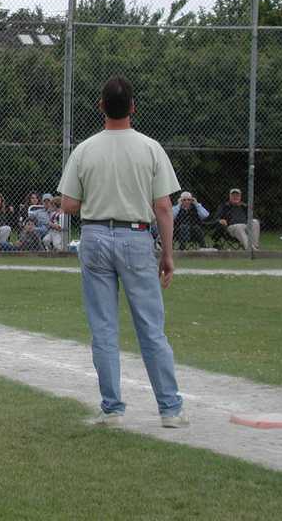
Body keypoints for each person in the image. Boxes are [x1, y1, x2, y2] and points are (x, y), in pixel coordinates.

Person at [58, 76, 186, 429]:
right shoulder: (150, 148)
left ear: (101, 106)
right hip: (136, 235)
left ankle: (112, 408)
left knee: (103, 327)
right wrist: (167, 254)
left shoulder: (85, 149)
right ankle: (170, 410)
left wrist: (97, 194)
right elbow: (163, 207)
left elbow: (68, 204)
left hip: (95, 235)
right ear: (133, 107)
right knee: (150, 327)